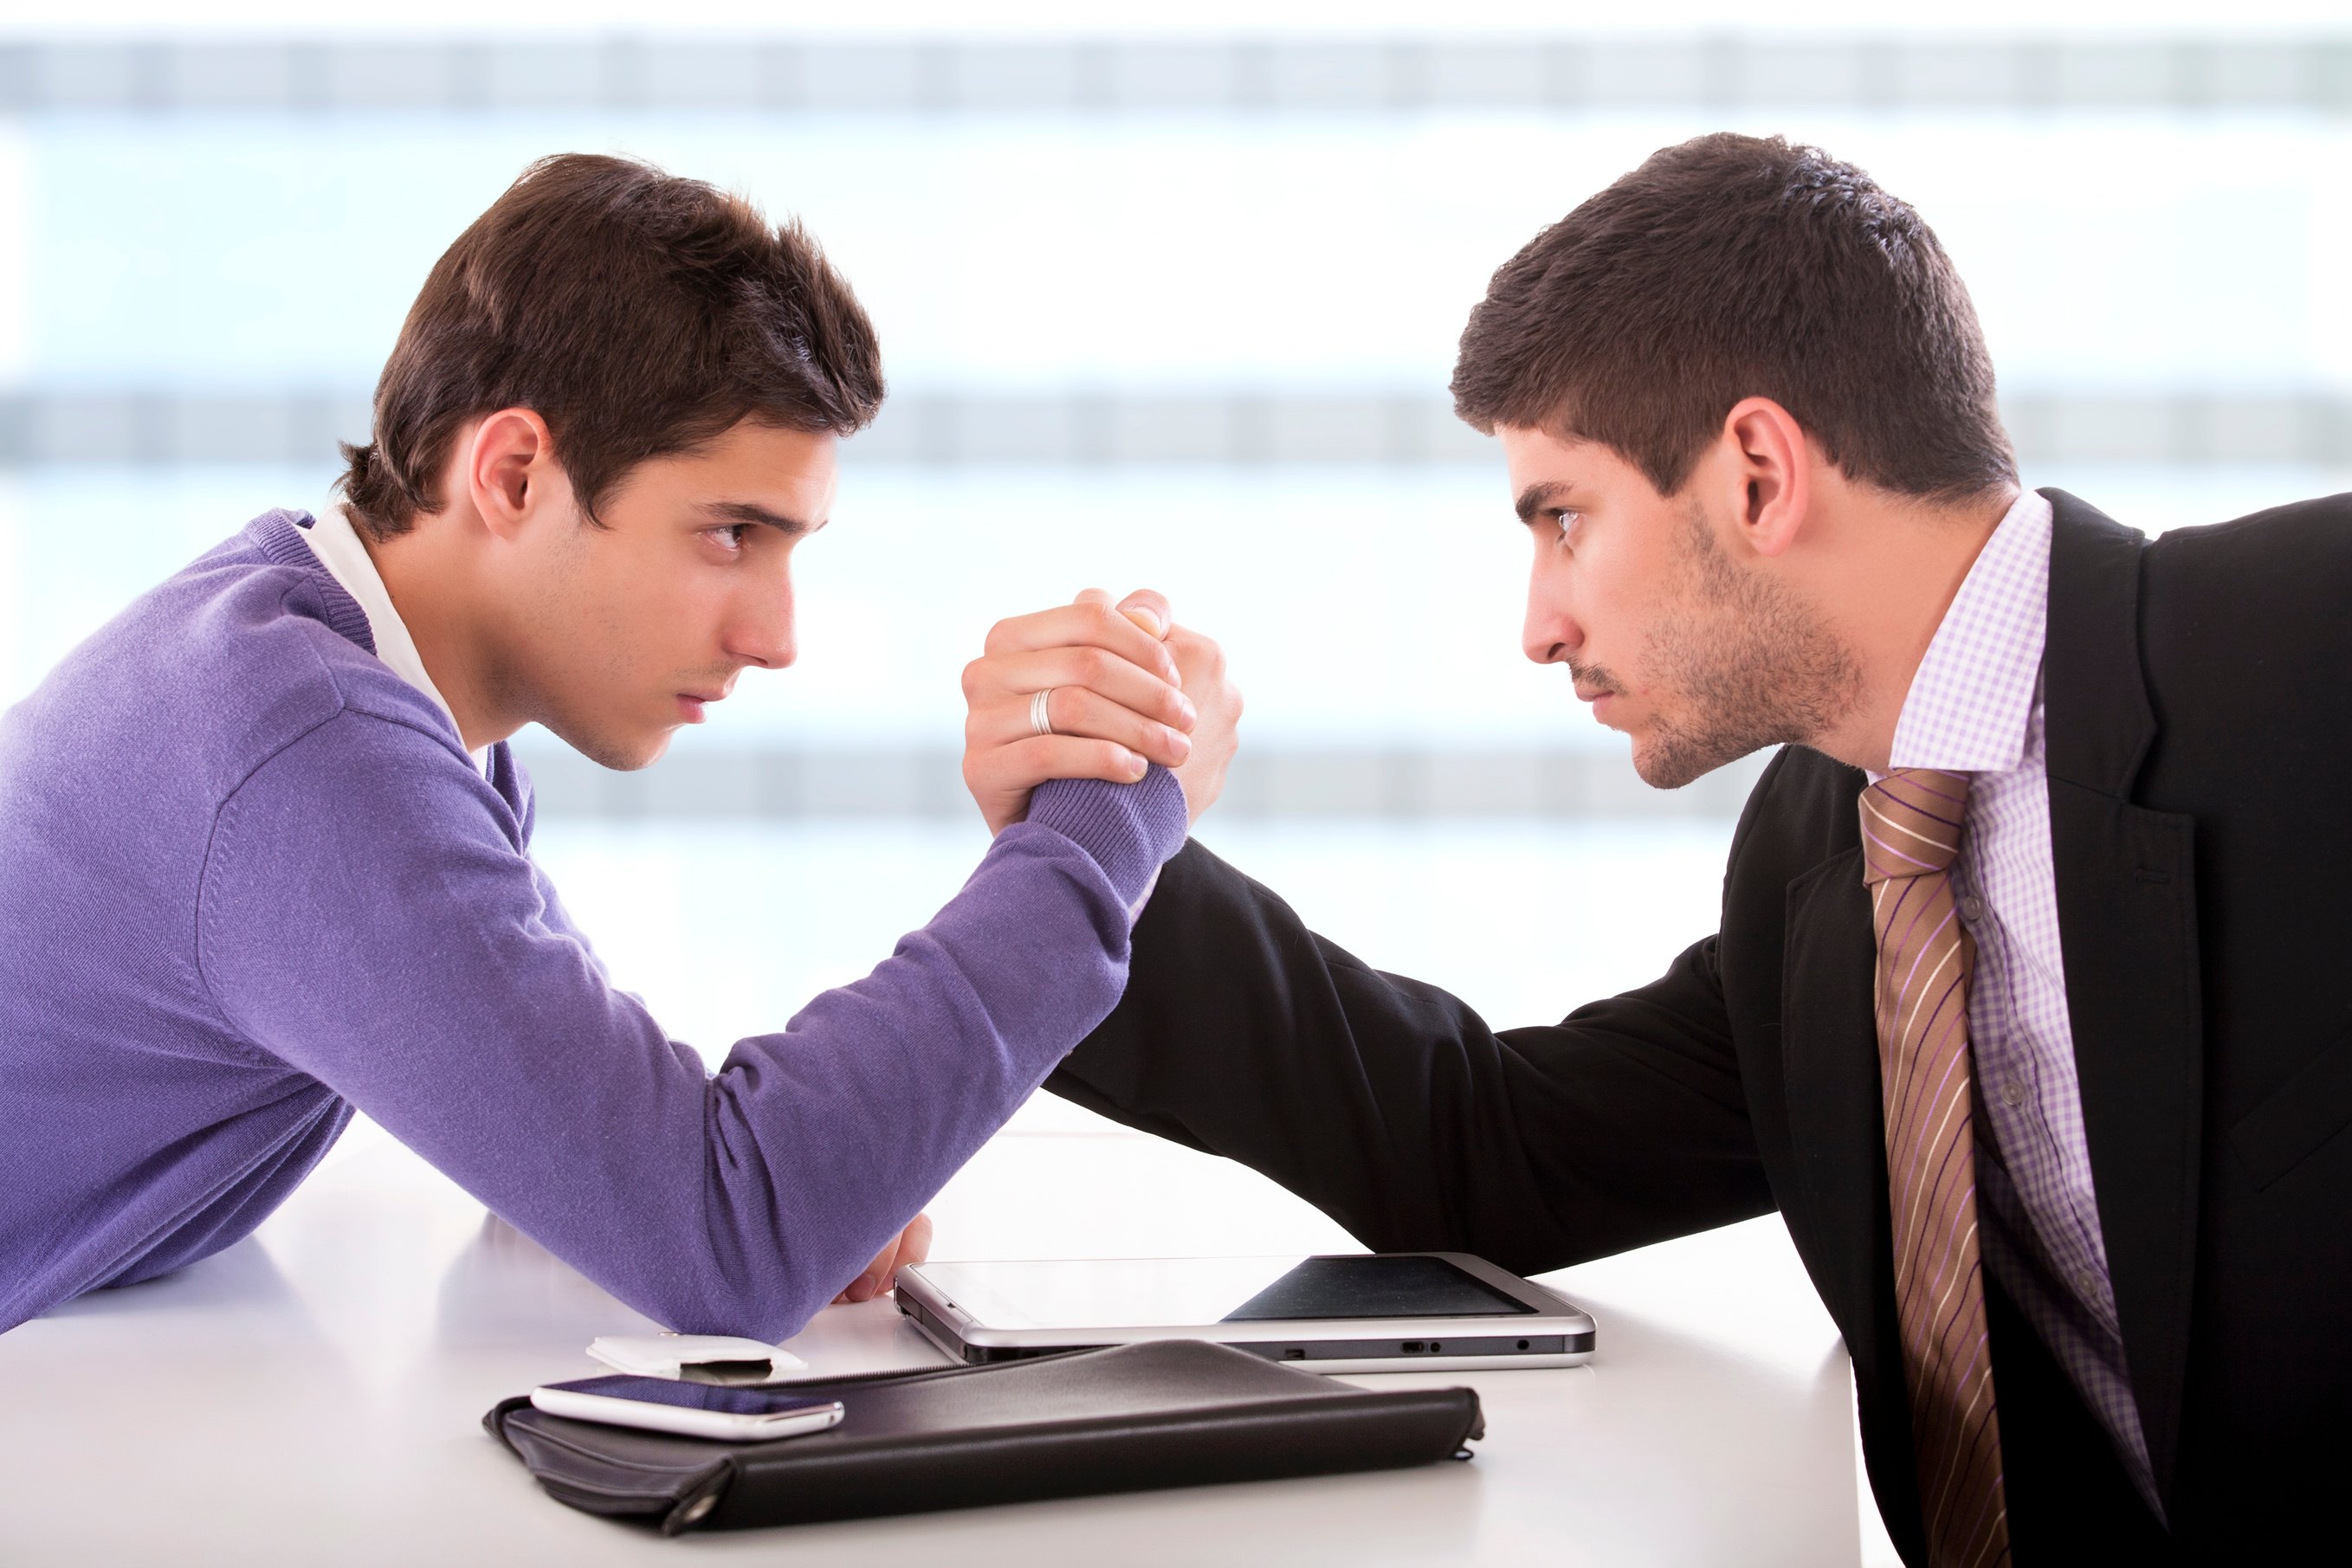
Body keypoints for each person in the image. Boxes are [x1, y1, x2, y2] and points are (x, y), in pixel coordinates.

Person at [964, 134, 2351, 1564]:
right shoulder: (1825, 872)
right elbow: (1483, 1154)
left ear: (1756, 473)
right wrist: (1091, 857)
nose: (1538, 622)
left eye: (1565, 518)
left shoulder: (2310, 643)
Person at [0, 153, 1241, 1342]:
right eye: (729, 533)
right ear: (516, 473)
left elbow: (602, 1146)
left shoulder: (342, 674)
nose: (775, 636)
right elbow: (723, 1234)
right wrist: (1114, 814)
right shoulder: (305, 756)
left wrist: (816, 1183)